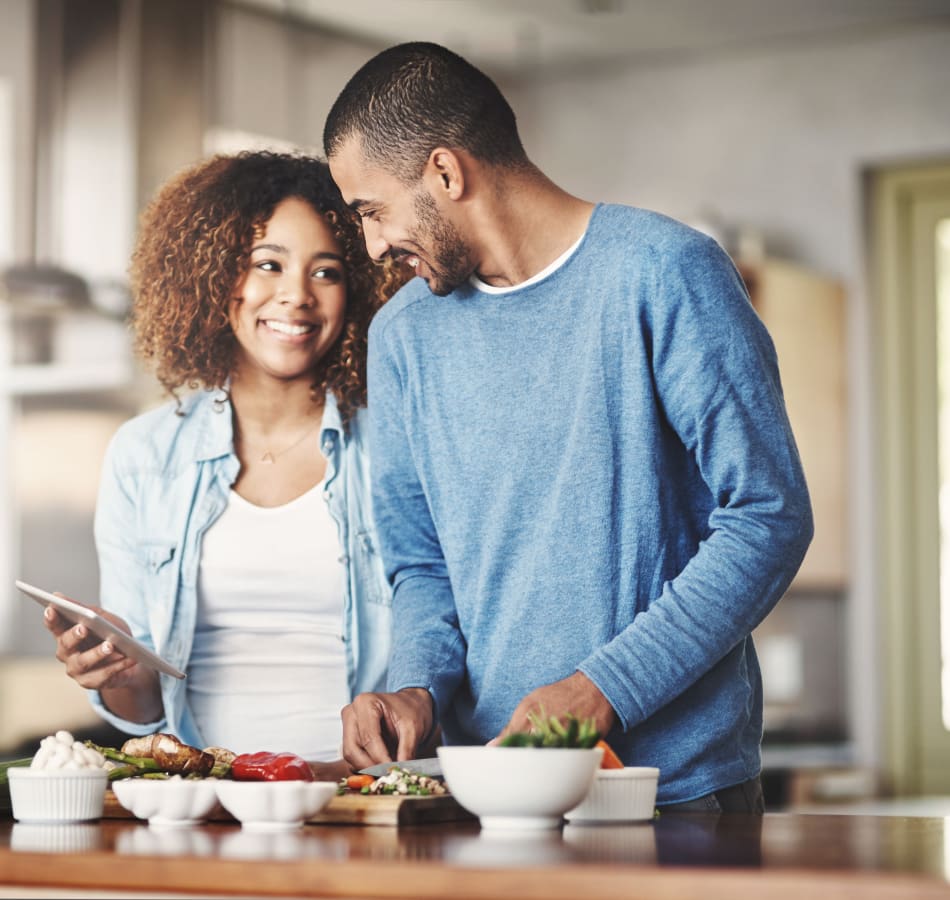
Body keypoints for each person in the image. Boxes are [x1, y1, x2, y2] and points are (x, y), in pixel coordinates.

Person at [322, 42, 814, 810]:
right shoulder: (402, 337)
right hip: (484, 792)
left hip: (672, 796)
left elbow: (768, 516)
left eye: (372, 210)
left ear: (447, 173)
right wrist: (415, 685)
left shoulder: (665, 274)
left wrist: (602, 690)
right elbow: (421, 565)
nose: (373, 245)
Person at [43, 150, 406, 778]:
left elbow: (441, 645)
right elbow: (144, 715)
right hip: (202, 805)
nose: (295, 295)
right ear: (216, 279)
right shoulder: (145, 456)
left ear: (356, 291)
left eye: (327, 272)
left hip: (358, 800)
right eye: (268, 264)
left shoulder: (397, 445)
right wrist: (114, 672)